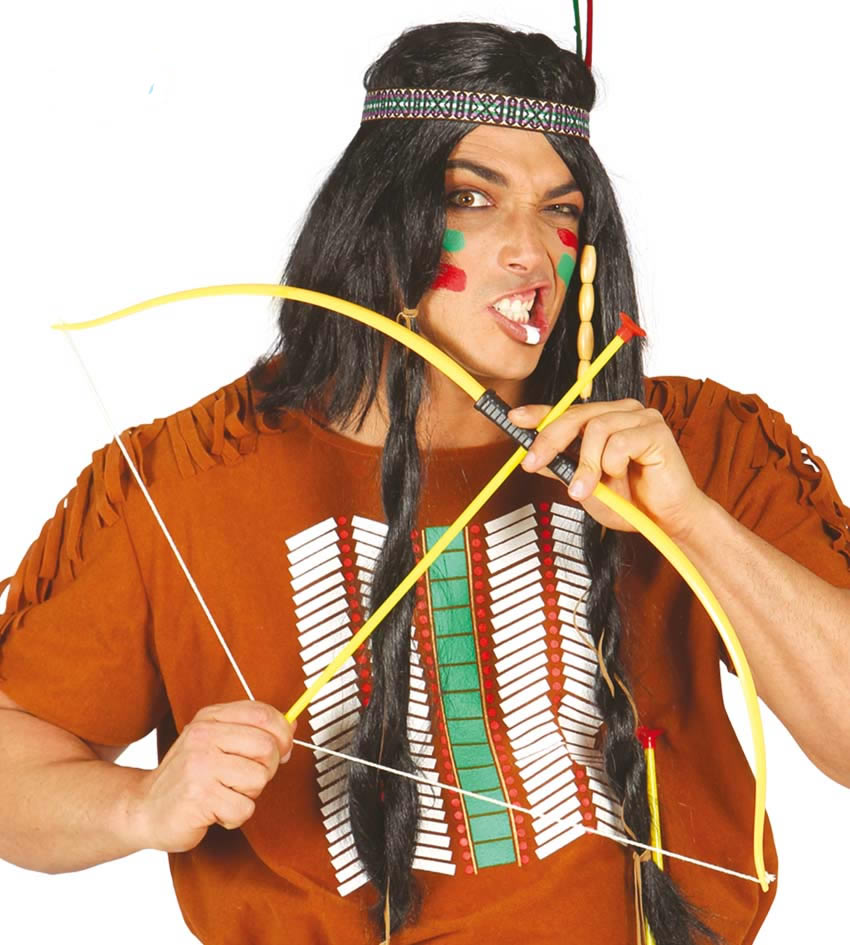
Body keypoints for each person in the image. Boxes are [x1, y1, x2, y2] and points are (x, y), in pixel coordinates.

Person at [1, 19, 848, 945]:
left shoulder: (690, 447)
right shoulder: (186, 479)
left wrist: (692, 524)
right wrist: (138, 805)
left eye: (561, 211)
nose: (532, 252)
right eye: (472, 199)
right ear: (379, 222)